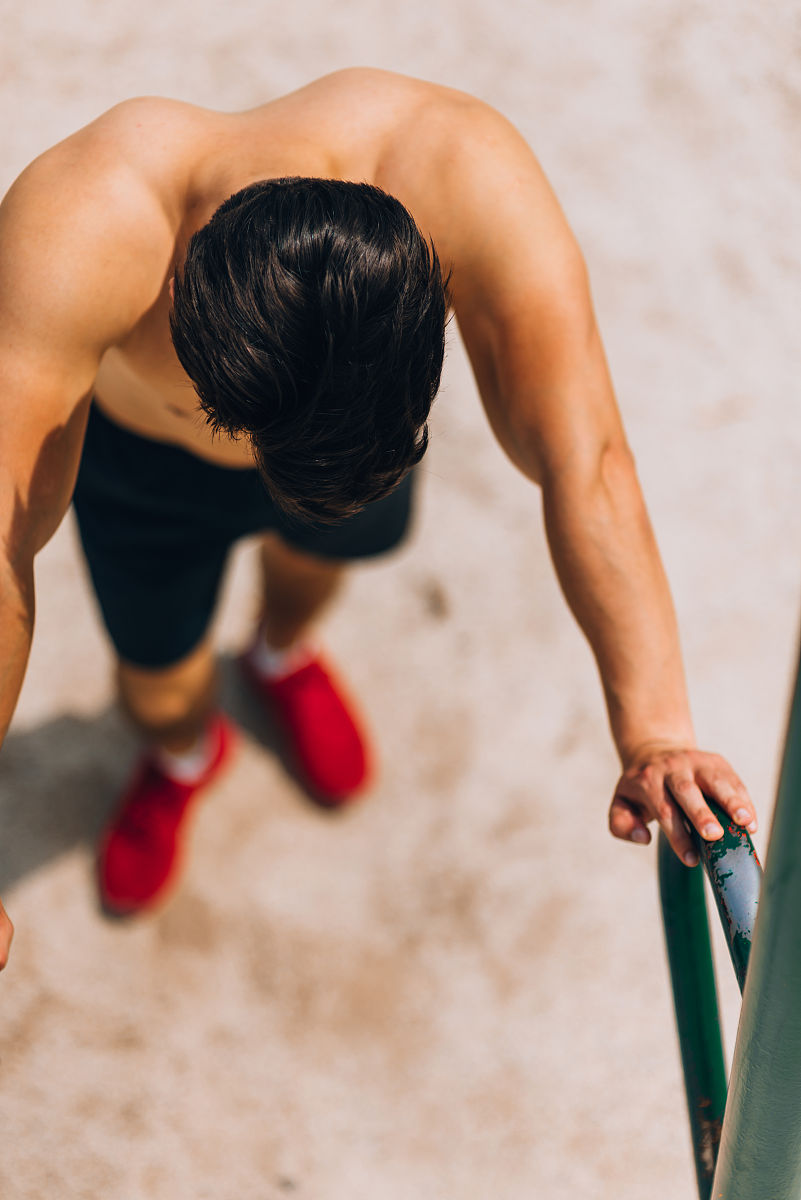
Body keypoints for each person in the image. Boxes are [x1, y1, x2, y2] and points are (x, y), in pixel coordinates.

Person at [0, 67, 756, 968]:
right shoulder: (86, 223)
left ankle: (278, 654)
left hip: (362, 439)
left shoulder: (464, 174)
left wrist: (655, 732)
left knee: (313, 568)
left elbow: (585, 458)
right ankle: (184, 755)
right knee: (158, 688)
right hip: (149, 477)